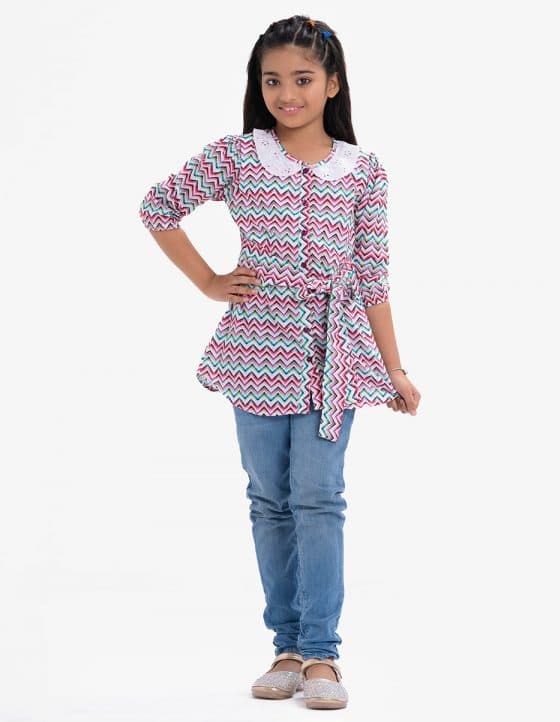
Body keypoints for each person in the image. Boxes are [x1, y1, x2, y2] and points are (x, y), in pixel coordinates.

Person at [138, 14, 421, 710]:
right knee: (269, 501)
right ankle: (286, 649)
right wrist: (209, 281)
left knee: (319, 497)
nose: (287, 94)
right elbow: (158, 207)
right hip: (254, 352)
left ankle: (322, 653)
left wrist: (395, 369)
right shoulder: (237, 156)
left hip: (333, 359)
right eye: (272, 81)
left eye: (302, 79)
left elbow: (374, 278)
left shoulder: (363, 171)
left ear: (333, 84)